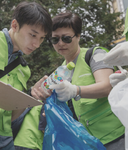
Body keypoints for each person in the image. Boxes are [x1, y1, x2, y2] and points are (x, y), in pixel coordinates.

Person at [44, 11, 125, 150]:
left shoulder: (95, 54)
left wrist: (76, 90)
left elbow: (107, 86)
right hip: (87, 142)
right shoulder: (60, 72)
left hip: (114, 136)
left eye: (66, 38)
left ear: (78, 36)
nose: (60, 43)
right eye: (55, 39)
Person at [0, 1, 52, 150]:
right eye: (33, 35)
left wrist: (31, 96)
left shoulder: (24, 70)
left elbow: (11, 116)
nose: (36, 44)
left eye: (42, 38)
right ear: (15, 25)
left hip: (1, 141)